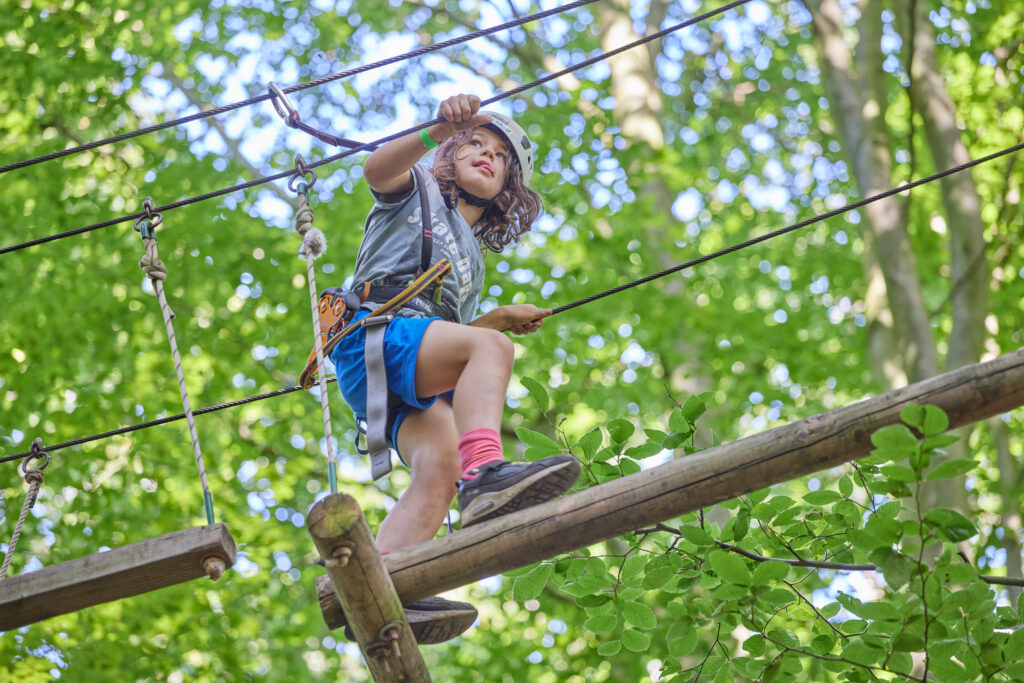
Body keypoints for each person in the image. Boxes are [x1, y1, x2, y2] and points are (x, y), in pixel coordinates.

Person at [328, 94, 580, 643]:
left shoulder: (474, 259)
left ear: (508, 190)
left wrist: (497, 318)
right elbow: (376, 168)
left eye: (500, 157)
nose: (488, 156)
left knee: (440, 469)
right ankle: (486, 475)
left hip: (404, 367)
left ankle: (385, 581)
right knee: (491, 355)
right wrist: (437, 129)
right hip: (374, 335)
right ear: (450, 154)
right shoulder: (414, 190)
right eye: (477, 145)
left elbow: (452, 340)